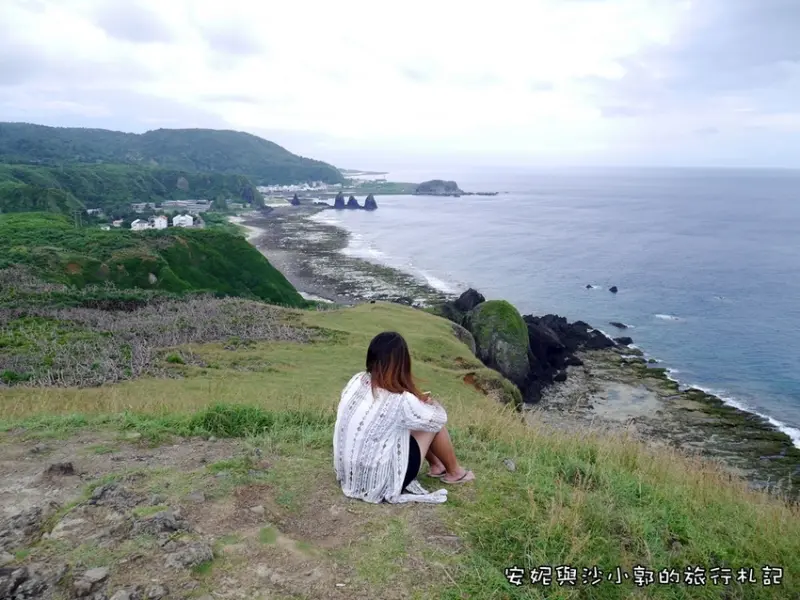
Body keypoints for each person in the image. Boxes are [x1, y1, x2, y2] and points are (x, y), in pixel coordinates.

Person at [333, 331, 474, 504]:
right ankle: (455, 472)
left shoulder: (357, 380)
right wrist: (431, 403)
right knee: (431, 423)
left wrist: (417, 403)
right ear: (402, 364)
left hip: (350, 474)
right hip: (381, 482)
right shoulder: (402, 400)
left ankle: (437, 466)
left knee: (412, 421)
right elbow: (438, 419)